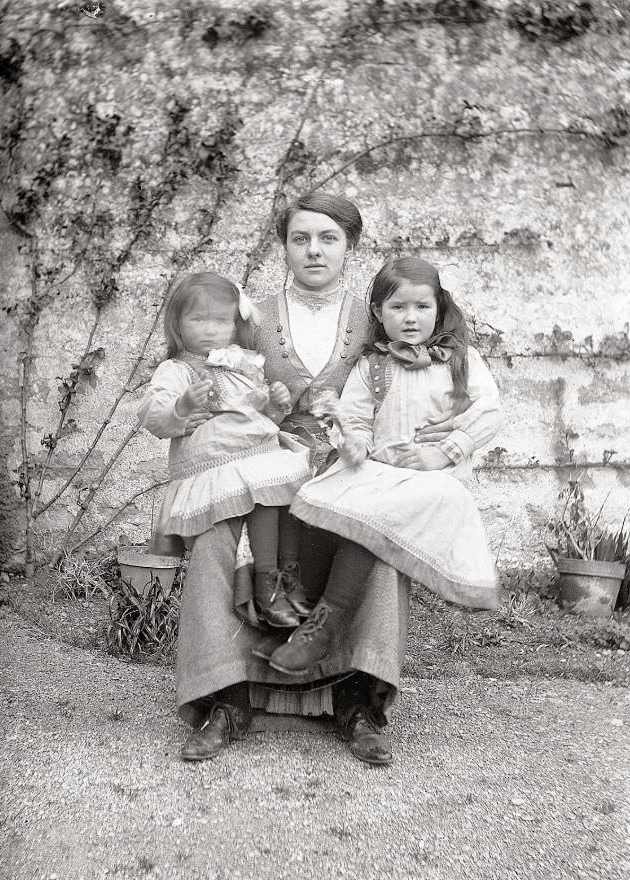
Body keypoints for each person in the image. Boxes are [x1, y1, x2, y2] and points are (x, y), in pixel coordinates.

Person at [175, 195, 467, 767]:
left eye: (328, 238)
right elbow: (212, 391)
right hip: (262, 467)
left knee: (377, 538)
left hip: (349, 466)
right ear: (283, 246)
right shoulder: (249, 318)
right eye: (300, 238)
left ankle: (357, 703)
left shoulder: (377, 316)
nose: (313, 250)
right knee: (215, 540)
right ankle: (228, 699)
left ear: (349, 247)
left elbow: (419, 393)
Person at [267, 256, 503, 675]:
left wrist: (445, 450)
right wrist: (354, 442)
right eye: (398, 308)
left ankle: (325, 623)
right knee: (318, 496)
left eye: (422, 307)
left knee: (371, 516)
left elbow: (489, 412)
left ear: (439, 308)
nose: (410, 319)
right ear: (378, 312)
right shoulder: (372, 363)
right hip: (380, 471)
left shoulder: (460, 360)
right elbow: (354, 416)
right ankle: (303, 594)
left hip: (431, 482)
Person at [138, 271, 313, 628]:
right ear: (177, 324)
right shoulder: (177, 369)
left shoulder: (242, 363)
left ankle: (288, 576)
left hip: (256, 451)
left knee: (294, 489)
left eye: (221, 321)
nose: (210, 329)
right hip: (214, 462)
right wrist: (182, 405)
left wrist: (275, 404)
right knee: (265, 490)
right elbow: (153, 415)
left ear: (235, 325)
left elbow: (257, 413)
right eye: (198, 319)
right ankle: (266, 582)